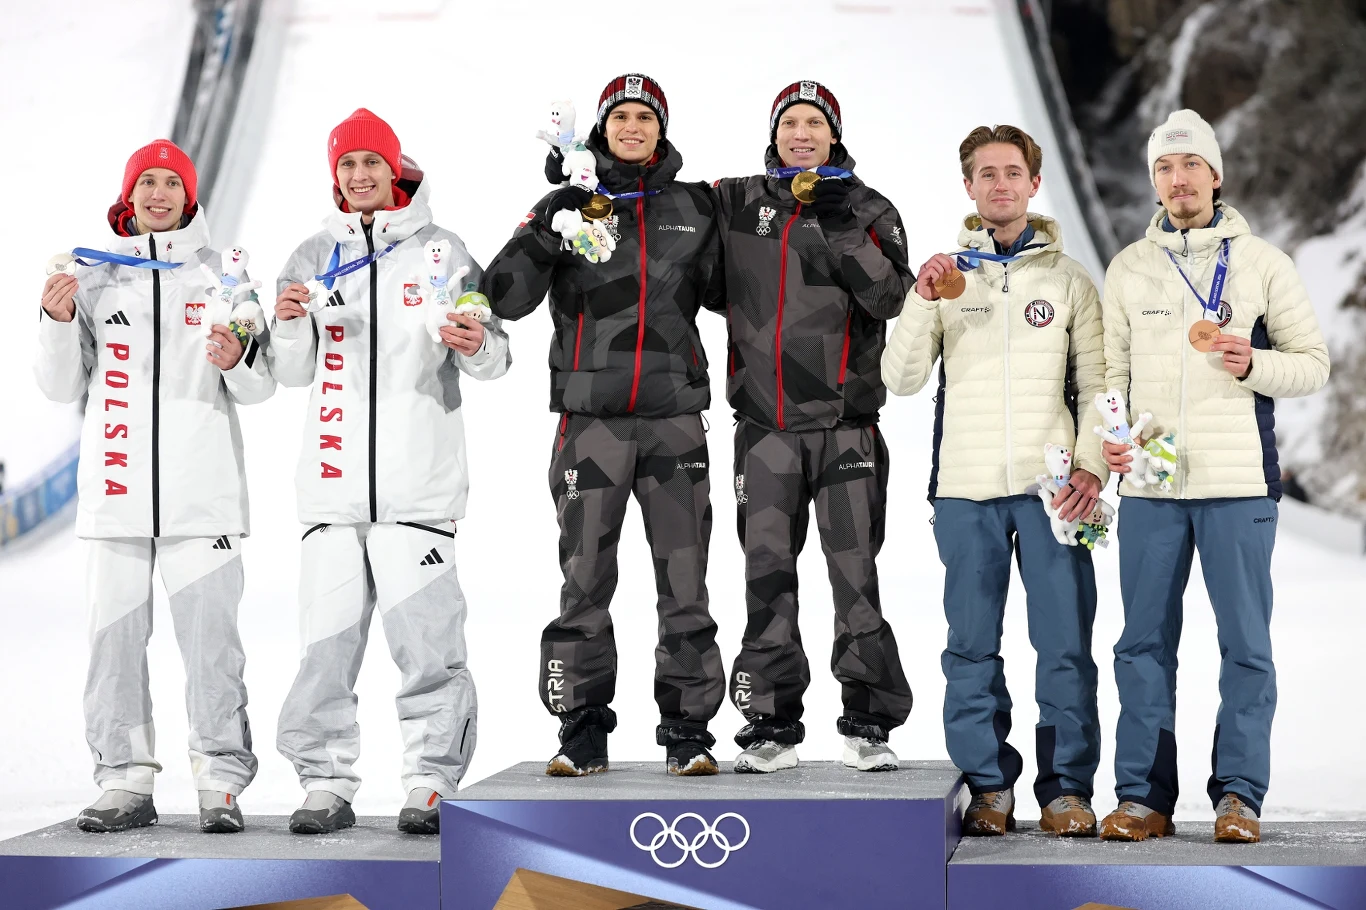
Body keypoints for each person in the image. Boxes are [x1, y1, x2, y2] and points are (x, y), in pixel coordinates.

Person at [270, 109, 510, 835]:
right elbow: (289, 371)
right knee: (323, 652)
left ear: (395, 167)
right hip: (333, 497)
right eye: (348, 165)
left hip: (417, 494)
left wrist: (474, 341)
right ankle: (325, 782)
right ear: (335, 175)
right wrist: (286, 321)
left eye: (372, 163)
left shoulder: (442, 249)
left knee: (430, 650)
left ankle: (431, 780)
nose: (360, 176)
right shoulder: (312, 253)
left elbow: (492, 355)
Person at [483, 74, 727, 777]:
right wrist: (552, 221)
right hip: (591, 422)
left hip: (674, 418)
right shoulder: (568, 203)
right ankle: (582, 727)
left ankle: (688, 730)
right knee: (584, 577)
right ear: (601, 127)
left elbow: (730, 293)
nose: (632, 127)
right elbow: (504, 296)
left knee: (686, 580)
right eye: (620, 115)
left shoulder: (692, 207)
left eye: (644, 117)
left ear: (661, 129)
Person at [1098, 110, 1329, 843]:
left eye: (1191, 164)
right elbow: (1108, 374)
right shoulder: (1130, 268)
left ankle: (1238, 797)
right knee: (1141, 646)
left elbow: (1314, 365)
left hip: (1237, 486)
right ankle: (1141, 797)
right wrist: (1108, 441)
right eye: (1165, 167)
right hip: (1152, 489)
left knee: (1246, 648)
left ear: (1216, 173)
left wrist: (1254, 363)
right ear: (1153, 181)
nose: (1178, 178)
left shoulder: (1262, 263)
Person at [35, 139, 275, 834]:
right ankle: (124, 781)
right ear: (129, 196)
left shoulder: (224, 279)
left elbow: (257, 389)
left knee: (212, 650)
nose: (160, 194)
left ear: (191, 196)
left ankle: (221, 781)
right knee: (113, 647)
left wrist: (239, 358)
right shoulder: (94, 278)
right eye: (149, 183)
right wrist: (55, 322)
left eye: (173, 183)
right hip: (115, 499)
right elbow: (58, 386)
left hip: (203, 501)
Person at [882, 125, 1108, 835]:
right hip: (965, 493)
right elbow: (902, 378)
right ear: (969, 187)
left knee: (1066, 646)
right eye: (987, 173)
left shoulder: (1071, 282)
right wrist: (922, 298)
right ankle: (989, 787)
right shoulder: (947, 278)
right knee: (971, 646)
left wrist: (1095, 469)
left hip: (1054, 495)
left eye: (1013, 172)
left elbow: (1101, 386)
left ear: (1034, 184)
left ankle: (1067, 791)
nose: (1001, 184)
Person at [711, 81, 914, 774]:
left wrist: (840, 225)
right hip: (765, 430)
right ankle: (770, 725)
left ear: (834, 135)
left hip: (846, 428)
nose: (802, 134)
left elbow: (891, 298)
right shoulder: (735, 202)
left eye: (814, 124)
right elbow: (673, 238)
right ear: (775, 134)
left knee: (854, 575)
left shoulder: (869, 207)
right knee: (767, 576)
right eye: (790, 123)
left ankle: (868, 721)